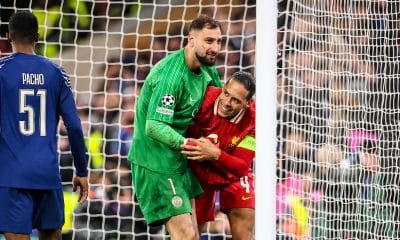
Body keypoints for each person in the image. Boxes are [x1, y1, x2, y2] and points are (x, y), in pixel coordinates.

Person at [127, 14, 223, 240]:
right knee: (186, 236)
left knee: (192, 235)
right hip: (155, 162)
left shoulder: (209, 71)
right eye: (209, 41)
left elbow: (219, 109)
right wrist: (190, 144)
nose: (215, 48)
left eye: (218, 41)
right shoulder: (171, 76)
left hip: (179, 161)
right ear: (191, 40)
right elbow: (154, 125)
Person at [0, 11, 88, 240]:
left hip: (12, 178)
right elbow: (75, 127)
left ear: (8, 35)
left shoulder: (1, 71)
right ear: (37, 36)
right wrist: (82, 170)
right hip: (48, 177)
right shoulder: (56, 73)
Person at [181, 71, 256, 239]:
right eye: (226, 94)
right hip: (199, 172)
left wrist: (215, 154)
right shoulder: (203, 100)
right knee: (190, 234)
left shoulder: (254, 119)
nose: (227, 103)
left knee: (243, 233)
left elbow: (242, 167)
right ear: (223, 87)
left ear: (247, 103)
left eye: (236, 100)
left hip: (232, 172)